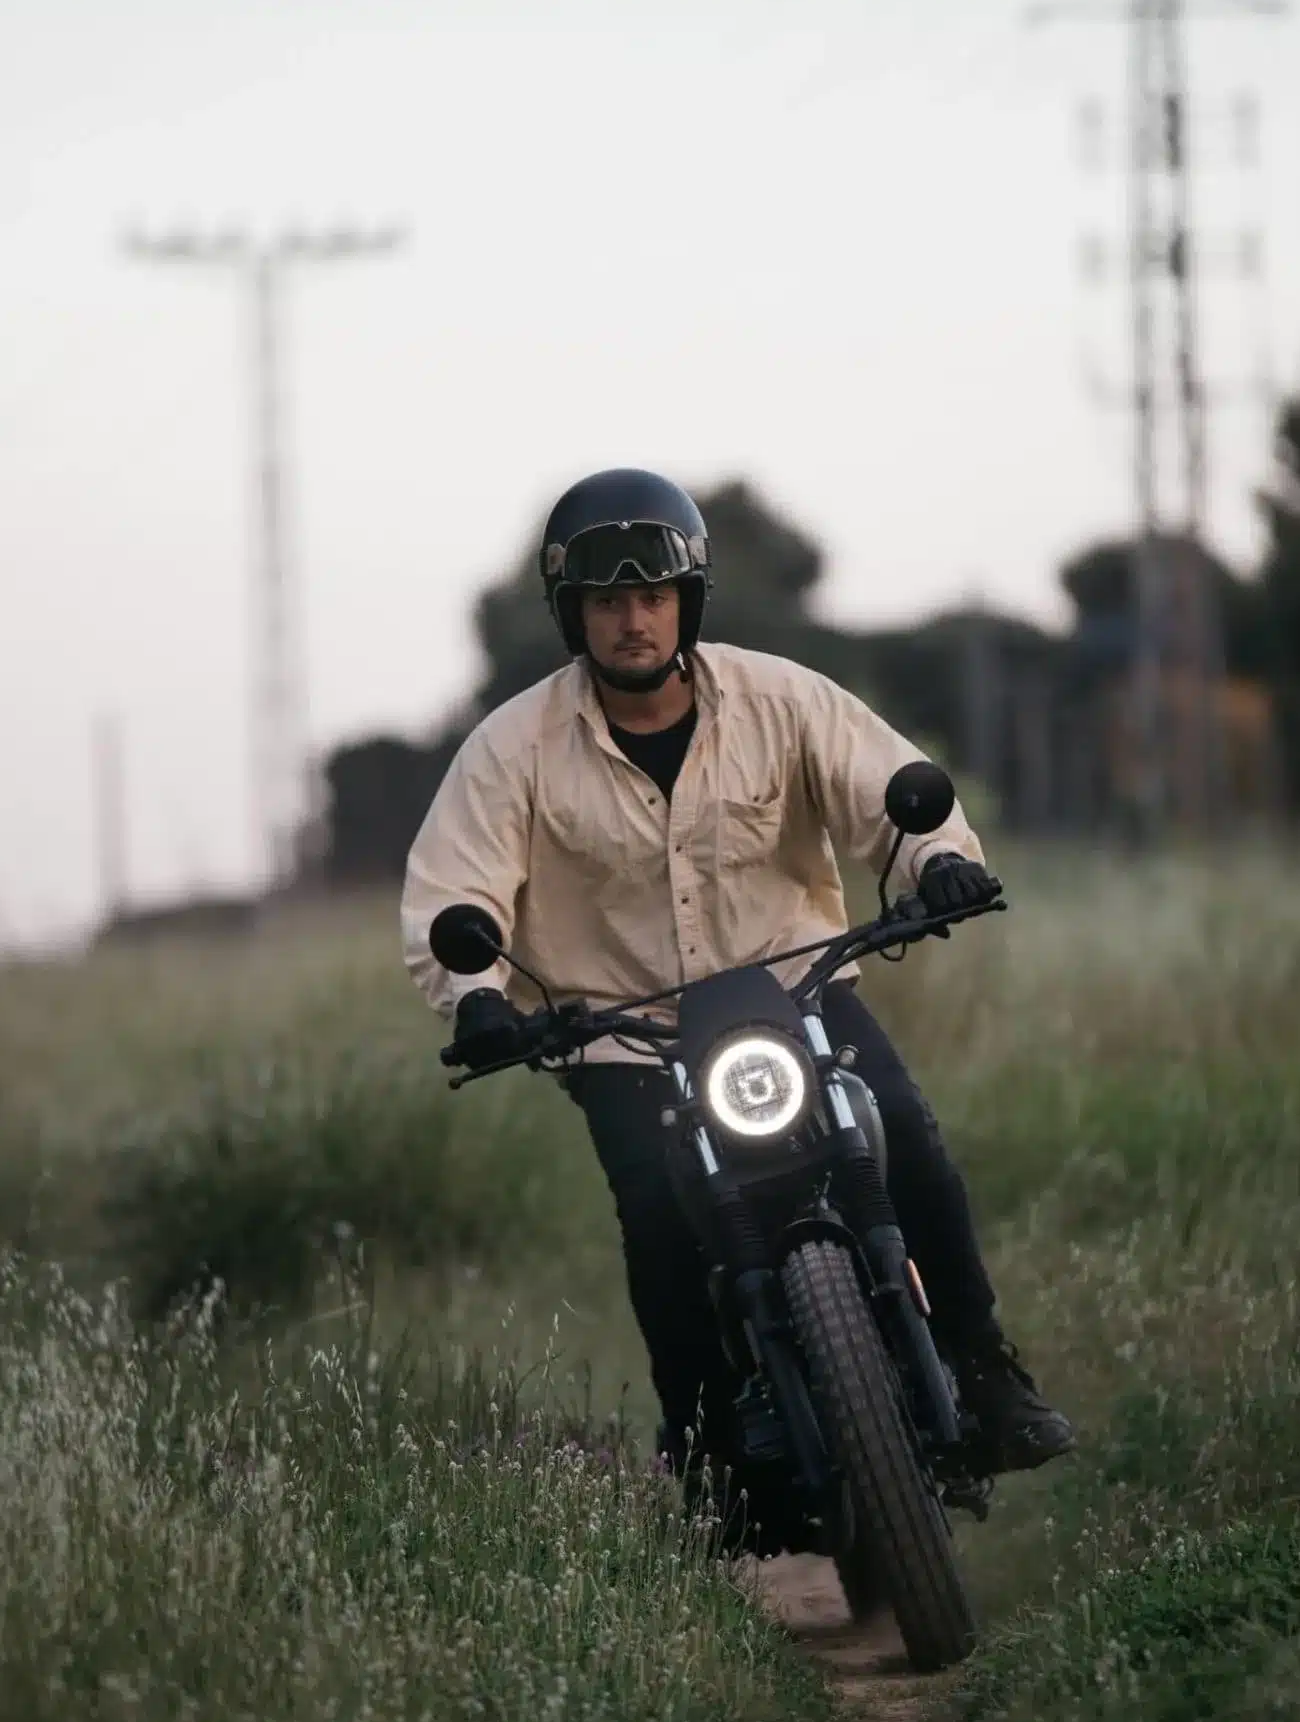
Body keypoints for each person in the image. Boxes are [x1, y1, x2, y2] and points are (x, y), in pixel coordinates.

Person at [402, 469, 1073, 1520]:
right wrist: (477, 993)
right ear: (573, 614)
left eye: (654, 596)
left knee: (903, 1136)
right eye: (609, 601)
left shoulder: (783, 698)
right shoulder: (510, 748)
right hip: (624, 1037)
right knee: (659, 1215)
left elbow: (892, 793)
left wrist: (937, 860)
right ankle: (713, 1448)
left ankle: (984, 1370)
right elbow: (456, 889)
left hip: (795, 994)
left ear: (688, 601)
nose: (634, 620)